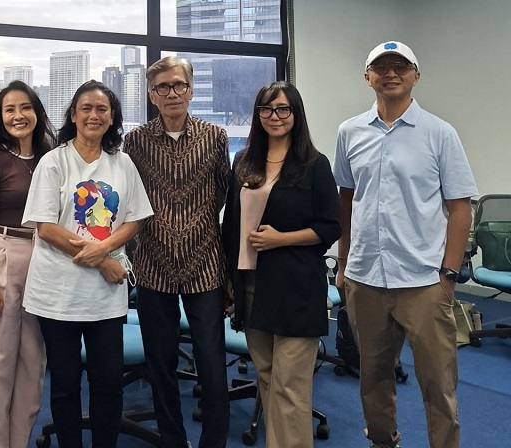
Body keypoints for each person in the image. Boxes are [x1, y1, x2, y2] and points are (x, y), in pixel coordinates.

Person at [333, 41, 477, 448]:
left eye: (401, 66)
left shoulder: (440, 133)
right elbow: (346, 200)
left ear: (416, 75)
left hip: (424, 281)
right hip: (365, 278)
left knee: (438, 384)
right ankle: (383, 441)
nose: (391, 73)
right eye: (381, 67)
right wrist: (343, 265)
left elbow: (460, 209)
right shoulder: (349, 132)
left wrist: (449, 275)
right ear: (368, 77)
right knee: (373, 379)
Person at [21, 80, 153, 448]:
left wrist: (105, 251)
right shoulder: (54, 161)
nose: (94, 115)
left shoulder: (122, 163)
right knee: (64, 385)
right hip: (58, 294)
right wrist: (103, 260)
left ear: (112, 118)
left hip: (104, 297)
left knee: (108, 383)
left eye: (102, 109)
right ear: (74, 115)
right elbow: (46, 227)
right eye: (86, 108)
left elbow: (134, 219)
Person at [221, 81, 340, 448]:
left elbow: (330, 227)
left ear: (295, 113)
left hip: (295, 286)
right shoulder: (244, 161)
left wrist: (280, 239)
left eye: (283, 108)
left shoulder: (314, 165)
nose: (274, 116)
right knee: (269, 378)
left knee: (290, 386)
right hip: (251, 285)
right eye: (266, 109)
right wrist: (229, 278)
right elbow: (231, 224)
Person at [124, 56, 230, 448]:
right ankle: (172, 439)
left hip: (205, 265)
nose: (172, 93)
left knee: (211, 363)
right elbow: (130, 198)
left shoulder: (215, 136)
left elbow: (223, 192)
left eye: (179, 85)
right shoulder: (135, 142)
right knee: (161, 364)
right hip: (153, 266)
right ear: (152, 95)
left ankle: (213, 442)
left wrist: (192, 227)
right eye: (162, 87)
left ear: (191, 89)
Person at [0, 80, 53, 447]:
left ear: (37, 111)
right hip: (0, 254)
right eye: (10, 109)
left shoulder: (50, 155)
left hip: (44, 258)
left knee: (33, 363)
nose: (19, 115)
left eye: (25, 107)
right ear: (0, 117)